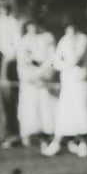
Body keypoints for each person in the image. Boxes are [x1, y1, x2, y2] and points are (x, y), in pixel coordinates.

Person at [43, 23, 87, 158]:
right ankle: (59, 143)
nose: (70, 30)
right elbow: (57, 62)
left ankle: (83, 143)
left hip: (80, 81)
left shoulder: (84, 39)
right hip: (67, 81)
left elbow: (76, 58)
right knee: (65, 112)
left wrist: (66, 63)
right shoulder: (64, 40)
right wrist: (66, 65)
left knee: (81, 112)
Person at [0, 0, 24, 149]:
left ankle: (21, 133)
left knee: (18, 98)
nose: (1, 6)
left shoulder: (16, 22)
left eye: (4, 3)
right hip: (1, 61)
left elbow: (18, 45)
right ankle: (11, 133)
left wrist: (8, 62)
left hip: (15, 62)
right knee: (5, 100)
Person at [16, 19, 57, 148]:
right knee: (30, 108)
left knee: (46, 108)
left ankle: (47, 135)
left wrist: (43, 75)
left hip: (44, 81)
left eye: (34, 25)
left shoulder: (46, 39)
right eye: (29, 26)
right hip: (30, 82)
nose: (32, 28)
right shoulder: (23, 41)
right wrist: (32, 77)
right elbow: (21, 63)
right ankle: (30, 136)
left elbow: (52, 59)